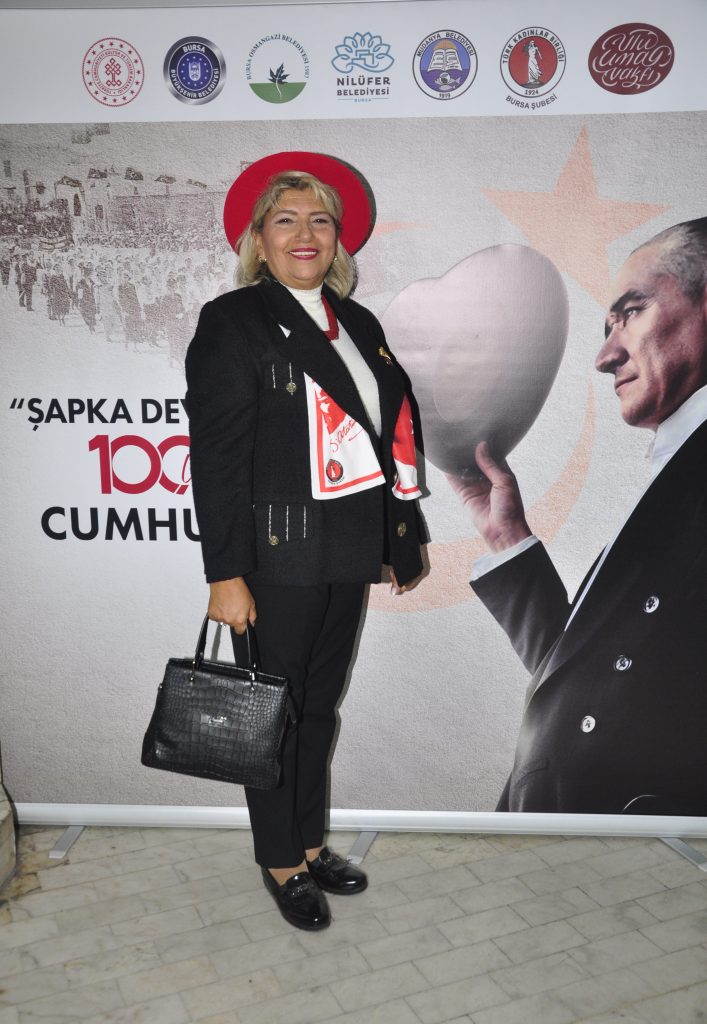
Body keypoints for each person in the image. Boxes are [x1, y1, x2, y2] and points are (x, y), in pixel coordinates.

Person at [185, 152, 425, 930]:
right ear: (258, 238)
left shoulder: (357, 323)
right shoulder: (234, 320)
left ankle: (311, 842)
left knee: (317, 707)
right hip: (275, 556)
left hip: (347, 547)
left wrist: (396, 539)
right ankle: (279, 859)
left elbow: (385, 436)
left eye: (319, 219)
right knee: (273, 717)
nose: (304, 233)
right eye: (285, 219)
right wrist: (226, 573)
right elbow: (217, 458)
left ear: (336, 238)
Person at [453, 217, 707, 816]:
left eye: (632, 312)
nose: (604, 355)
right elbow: (595, 678)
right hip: (567, 840)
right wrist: (509, 541)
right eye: (606, 327)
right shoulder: (678, 470)